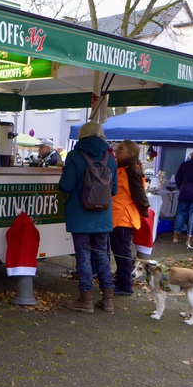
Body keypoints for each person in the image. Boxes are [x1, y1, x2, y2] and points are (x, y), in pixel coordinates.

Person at [59, 121, 118, 314]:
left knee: (83, 256)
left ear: (81, 135)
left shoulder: (74, 156)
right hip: (102, 215)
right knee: (102, 254)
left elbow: (66, 185)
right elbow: (114, 190)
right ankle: (108, 299)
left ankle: (85, 299)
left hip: (80, 214)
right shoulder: (110, 157)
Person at [110, 140, 149, 296]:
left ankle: (125, 285)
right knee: (120, 251)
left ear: (130, 153)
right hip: (118, 215)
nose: (116, 150)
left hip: (124, 217)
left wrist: (144, 210)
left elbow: (139, 194)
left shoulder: (131, 170)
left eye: (121, 148)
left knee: (122, 253)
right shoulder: (123, 167)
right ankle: (122, 281)